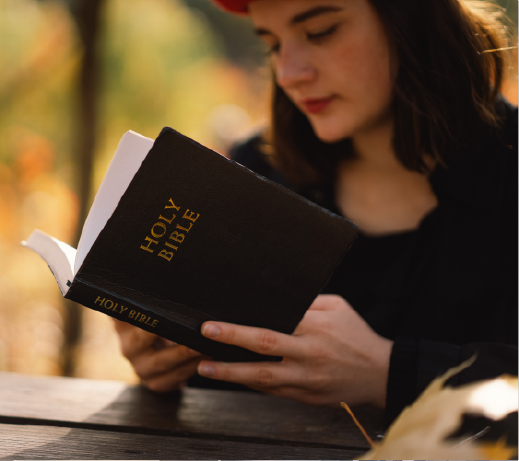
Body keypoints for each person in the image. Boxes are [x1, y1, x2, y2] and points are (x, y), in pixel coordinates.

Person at [114, 0, 518, 425]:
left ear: (414, 17)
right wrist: (165, 363)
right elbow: (221, 396)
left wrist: (388, 373)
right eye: (272, 46)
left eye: (321, 32)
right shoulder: (258, 173)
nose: (289, 73)